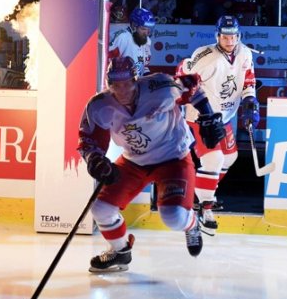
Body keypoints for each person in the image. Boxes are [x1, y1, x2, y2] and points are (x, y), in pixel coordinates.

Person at [78, 56, 226, 271]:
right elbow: (88, 140)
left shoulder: (160, 86)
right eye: (115, 85)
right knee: (101, 209)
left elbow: (192, 84)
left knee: (174, 217)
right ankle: (121, 252)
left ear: (136, 80)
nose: (122, 91)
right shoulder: (99, 105)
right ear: (108, 84)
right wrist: (95, 160)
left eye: (127, 83)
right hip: (134, 161)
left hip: (172, 157)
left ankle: (192, 223)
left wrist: (208, 115)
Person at [176, 15, 259, 232]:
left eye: (233, 36)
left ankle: (201, 193)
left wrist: (250, 100)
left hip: (225, 116)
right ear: (217, 36)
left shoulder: (245, 53)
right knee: (214, 159)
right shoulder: (206, 56)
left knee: (230, 158)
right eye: (225, 36)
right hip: (202, 117)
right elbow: (181, 74)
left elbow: (249, 78)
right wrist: (193, 101)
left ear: (239, 35)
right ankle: (205, 208)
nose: (230, 41)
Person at [108, 7, 155, 77]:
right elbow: (106, 60)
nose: (146, 33)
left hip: (136, 84)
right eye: (143, 29)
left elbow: (144, 67)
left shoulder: (147, 41)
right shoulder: (122, 37)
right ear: (134, 25)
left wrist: (149, 77)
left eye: (149, 29)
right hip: (121, 83)